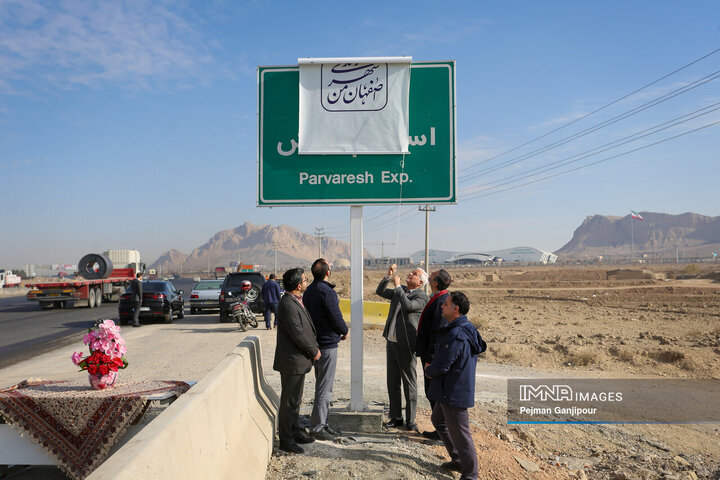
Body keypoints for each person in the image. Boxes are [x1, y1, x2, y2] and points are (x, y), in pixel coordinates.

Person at [424, 292, 487, 480]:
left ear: (455, 309)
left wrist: (429, 369)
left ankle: (471, 474)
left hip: (453, 391)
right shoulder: (465, 327)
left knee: (461, 434)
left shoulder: (456, 333)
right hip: (448, 390)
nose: (442, 305)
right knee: (438, 421)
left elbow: (444, 364)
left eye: (446, 303)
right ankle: (458, 460)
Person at [272, 268, 321, 454]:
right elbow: (297, 333)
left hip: (298, 361)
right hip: (292, 361)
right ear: (299, 285)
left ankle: (294, 431)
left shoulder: (295, 300)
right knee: (289, 402)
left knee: (296, 401)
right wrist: (314, 350)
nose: (307, 281)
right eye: (305, 279)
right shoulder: (288, 304)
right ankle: (286, 439)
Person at [376, 263, 429, 431]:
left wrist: (398, 286)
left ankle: (411, 419)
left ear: (420, 282)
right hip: (391, 342)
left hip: (406, 345)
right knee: (392, 382)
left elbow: (408, 306)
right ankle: (396, 417)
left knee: (409, 383)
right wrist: (389, 277)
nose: (410, 274)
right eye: (411, 272)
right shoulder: (402, 291)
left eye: (414, 274)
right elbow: (380, 292)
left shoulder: (421, 297)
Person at [303, 258, 348, 440]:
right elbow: (335, 316)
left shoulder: (310, 291)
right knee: (324, 387)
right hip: (327, 345)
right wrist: (344, 330)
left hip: (316, 343)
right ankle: (318, 427)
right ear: (327, 272)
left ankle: (323, 423)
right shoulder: (326, 291)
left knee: (322, 383)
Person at [414, 269, 452, 439]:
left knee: (434, 393)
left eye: (432, 275)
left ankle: (443, 432)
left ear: (436, 282)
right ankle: (440, 430)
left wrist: (431, 359)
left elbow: (438, 334)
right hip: (428, 355)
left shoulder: (442, 301)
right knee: (431, 393)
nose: (429, 275)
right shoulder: (437, 298)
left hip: (432, 358)